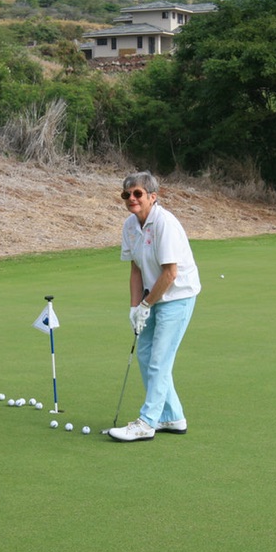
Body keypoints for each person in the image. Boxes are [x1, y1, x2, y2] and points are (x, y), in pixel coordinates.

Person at [108, 171, 201, 442]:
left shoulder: (165, 224)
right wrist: (133, 307)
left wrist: (146, 305)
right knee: (146, 357)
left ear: (152, 196)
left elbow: (170, 273)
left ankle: (148, 422)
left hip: (177, 297)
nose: (132, 198)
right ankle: (172, 417)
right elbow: (136, 269)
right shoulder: (129, 226)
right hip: (152, 297)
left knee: (160, 361)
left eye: (138, 194)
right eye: (127, 194)